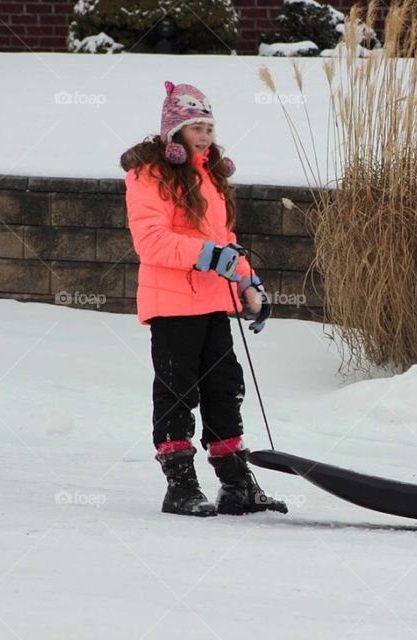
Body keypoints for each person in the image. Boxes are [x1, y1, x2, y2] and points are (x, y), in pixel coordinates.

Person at [120, 81, 285, 517]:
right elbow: (151, 240)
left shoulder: (208, 175)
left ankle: (235, 484)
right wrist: (208, 255)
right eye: (196, 125)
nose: (205, 134)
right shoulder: (148, 175)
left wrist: (249, 284)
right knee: (177, 391)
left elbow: (224, 240)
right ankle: (180, 485)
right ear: (173, 132)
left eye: (209, 126)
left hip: (212, 301)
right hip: (173, 304)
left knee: (224, 389)